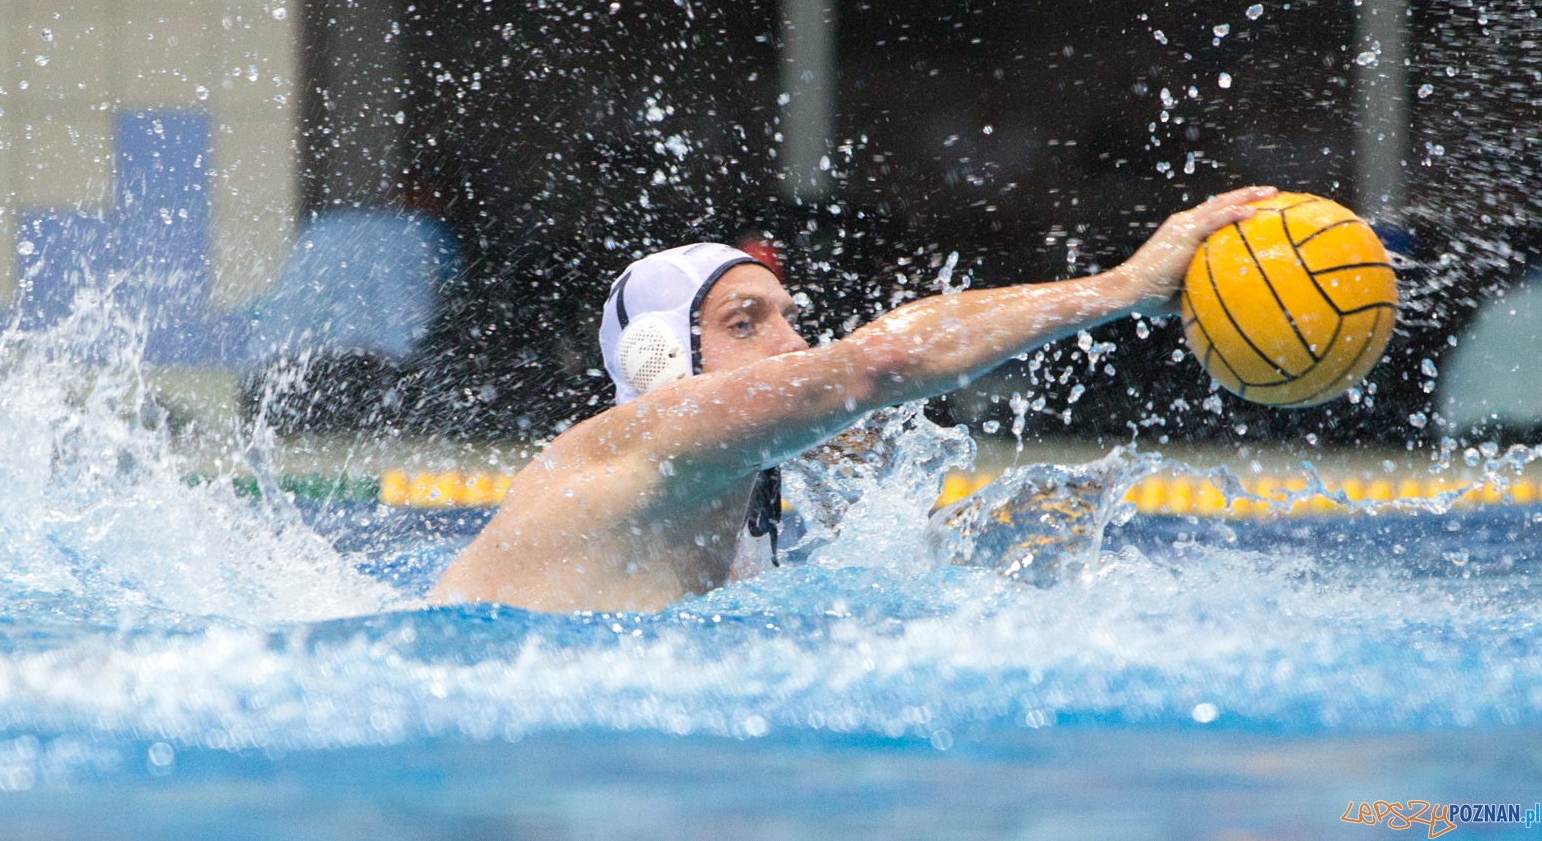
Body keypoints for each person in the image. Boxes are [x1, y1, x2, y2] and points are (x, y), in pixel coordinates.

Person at [430, 186, 1276, 612]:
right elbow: (879, 362)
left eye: (789, 318)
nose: (793, 347)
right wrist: (1123, 286)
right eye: (744, 321)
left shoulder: (734, 513)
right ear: (663, 361)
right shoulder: (640, 435)